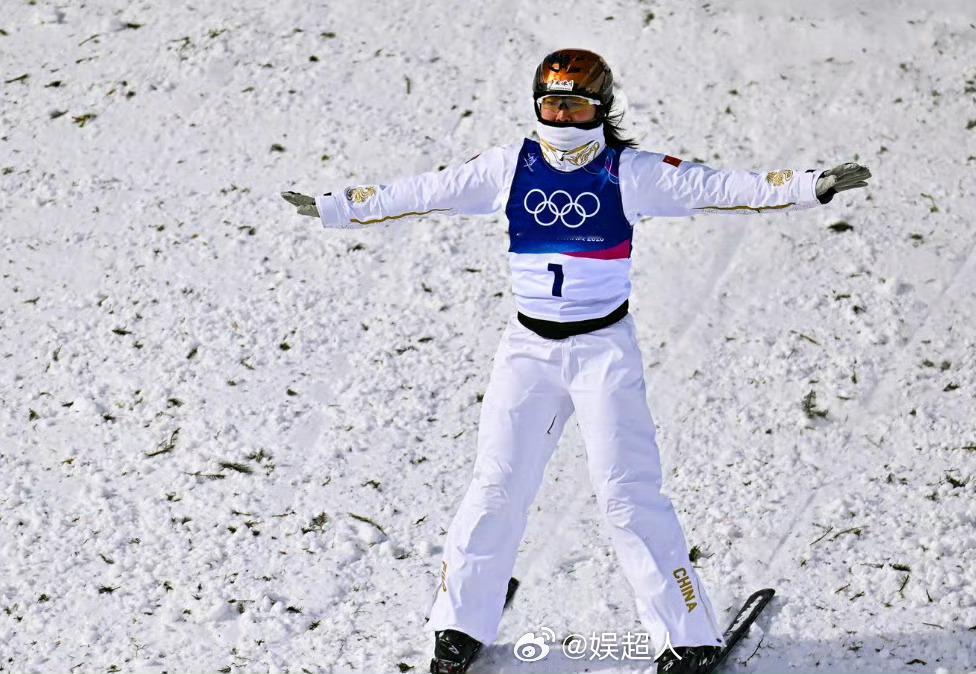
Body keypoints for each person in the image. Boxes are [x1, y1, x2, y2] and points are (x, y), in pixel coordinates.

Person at [283, 48, 870, 674]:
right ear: (537, 106)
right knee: (496, 488)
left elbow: (721, 187)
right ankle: (459, 624)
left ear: (602, 110)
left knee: (626, 494)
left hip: (603, 353)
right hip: (527, 351)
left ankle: (687, 635)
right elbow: (424, 191)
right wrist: (337, 206)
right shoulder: (509, 167)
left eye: (576, 107)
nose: (562, 121)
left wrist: (810, 186)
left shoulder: (631, 172)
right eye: (552, 105)